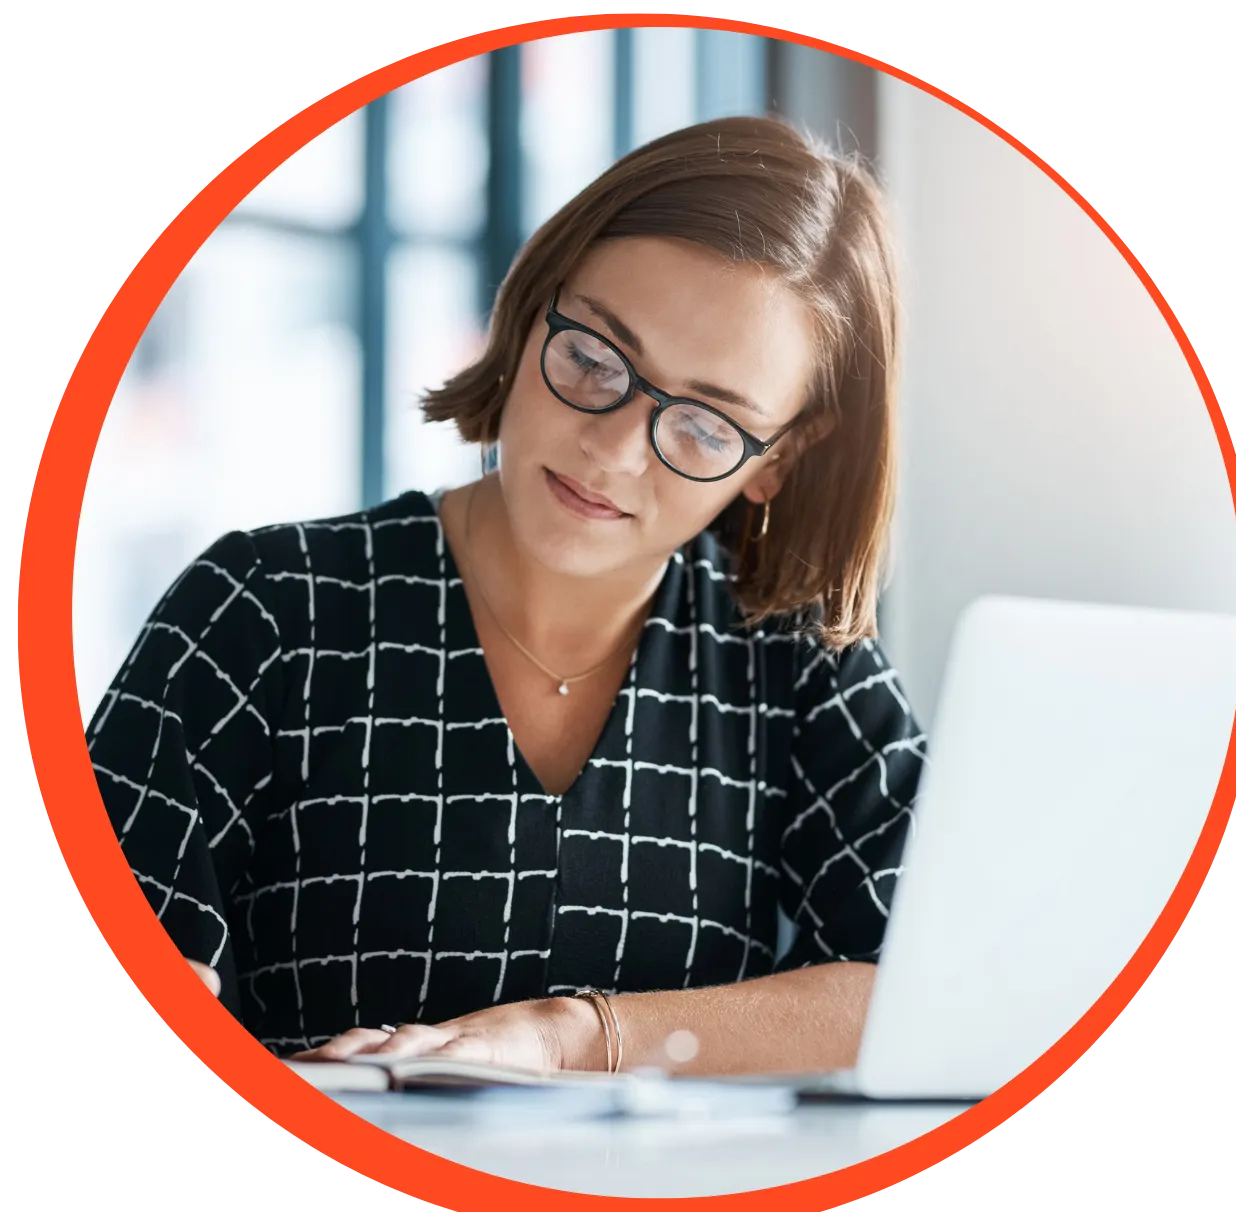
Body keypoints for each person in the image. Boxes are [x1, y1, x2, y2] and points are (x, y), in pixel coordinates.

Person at [87, 114, 925, 1077]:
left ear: (778, 460)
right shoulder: (267, 612)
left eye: (704, 426)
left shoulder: (797, 665)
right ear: (532, 309)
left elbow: (919, 983)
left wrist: (575, 1036)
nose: (610, 451)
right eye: (596, 361)